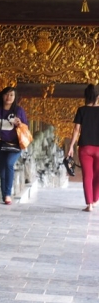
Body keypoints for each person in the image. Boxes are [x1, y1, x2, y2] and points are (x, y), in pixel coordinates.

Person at [67, 84, 99, 212]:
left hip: (85, 147)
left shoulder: (81, 110)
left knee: (87, 176)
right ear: (97, 97)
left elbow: (76, 130)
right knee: (98, 176)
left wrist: (71, 147)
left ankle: (89, 204)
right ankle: (95, 199)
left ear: (85, 97)